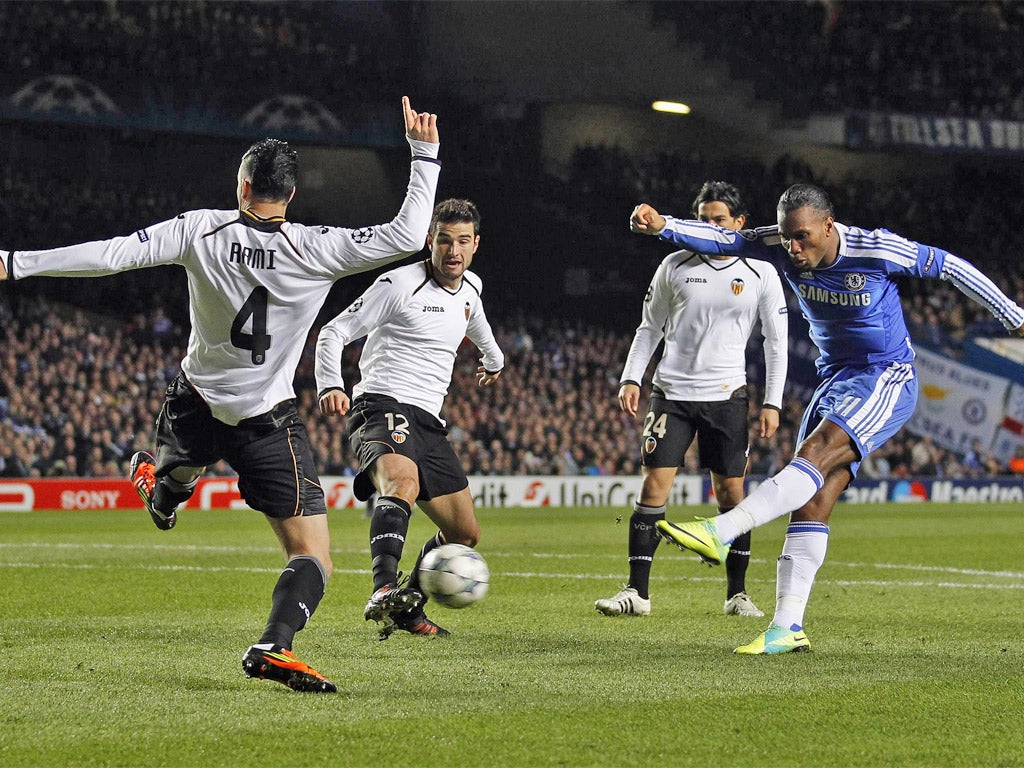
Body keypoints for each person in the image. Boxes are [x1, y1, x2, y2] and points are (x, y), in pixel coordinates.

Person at [0, 96, 442, 691]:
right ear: (289, 196)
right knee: (313, 557)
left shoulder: (197, 230)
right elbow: (410, 233)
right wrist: (423, 152)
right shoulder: (319, 248)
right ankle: (272, 646)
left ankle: (161, 489)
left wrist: (14, 262)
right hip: (264, 419)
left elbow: (108, 256)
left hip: (195, 399)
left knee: (174, 485)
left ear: (242, 186)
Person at [630, 183, 1024, 654]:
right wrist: (663, 226)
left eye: (803, 237)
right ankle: (786, 628)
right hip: (833, 379)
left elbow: (949, 265)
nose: (794, 249)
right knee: (812, 501)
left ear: (829, 226)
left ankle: (723, 530)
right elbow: (723, 240)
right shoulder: (780, 244)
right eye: (787, 238)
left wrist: (1012, 315)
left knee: (814, 457)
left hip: (885, 375)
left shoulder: (875, 248)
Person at [595, 181, 788, 620]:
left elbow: (777, 343)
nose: (708, 227)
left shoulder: (762, 275)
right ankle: (636, 593)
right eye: (701, 220)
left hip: (727, 398)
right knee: (653, 488)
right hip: (671, 395)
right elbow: (649, 328)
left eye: (718, 220)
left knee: (731, 495)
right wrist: (631, 377)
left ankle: (737, 594)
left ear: (739, 224)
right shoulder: (673, 265)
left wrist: (772, 402)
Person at [316, 198, 503, 640]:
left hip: (428, 420)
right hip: (381, 403)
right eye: (443, 240)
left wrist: (494, 360)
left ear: (475, 244)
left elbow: (476, 325)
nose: (452, 251)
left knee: (465, 533)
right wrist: (330, 383)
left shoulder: (471, 288)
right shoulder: (398, 284)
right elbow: (333, 331)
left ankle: (407, 601)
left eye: (461, 241)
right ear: (429, 241)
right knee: (403, 483)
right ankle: (383, 590)